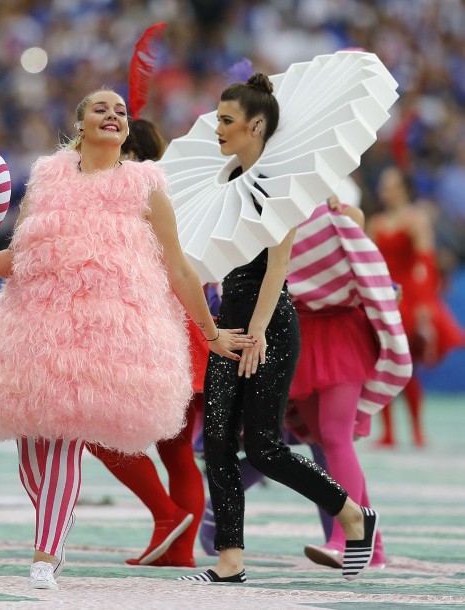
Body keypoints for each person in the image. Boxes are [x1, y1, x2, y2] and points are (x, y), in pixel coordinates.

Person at [0, 89, 254, 591]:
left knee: (67, 445)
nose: (114, 115)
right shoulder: (47, 176)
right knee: (34, 456)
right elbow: (19, 256)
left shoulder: (145, 183)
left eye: (121, 111)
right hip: (33, 329)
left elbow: (178, 268)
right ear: (80, 122)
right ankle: (52, 526)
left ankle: (44, 556)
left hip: (104, 335)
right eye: (101, 108)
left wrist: (210, 329)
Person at [179, 74, 379, 584]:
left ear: (257, 124)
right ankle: (230, 561)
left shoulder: (280, 181)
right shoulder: (225, 182)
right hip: (229, 322)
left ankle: (352, 514)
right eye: (218, 119)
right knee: (218, 442)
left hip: (269, 321)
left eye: (227, 121)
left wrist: (260, 332)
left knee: (265, 445)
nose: (218, 129)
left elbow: (277, 266)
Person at [85, 117, 207, 568]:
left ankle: (167, 517)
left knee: (92, 428)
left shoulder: (135, 196)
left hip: (148, 329)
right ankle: (178, 548)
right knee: (174, 450)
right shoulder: (174, 195)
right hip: (177, 327)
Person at [288, 195, 402, 570]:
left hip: (340, 334)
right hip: (300, 334)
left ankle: (345, 538)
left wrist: (347, 216)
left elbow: (362, 251)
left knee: (335, 437)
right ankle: (375, 547)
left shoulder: (334, 209)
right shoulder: (260, 208)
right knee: (324, 442)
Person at [367, 166, 465, 448]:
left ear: (404, 188)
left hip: (408, 297)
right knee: (382, 363)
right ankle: (387, 432)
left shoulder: (416, 220)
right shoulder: (376, 222)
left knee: (405, 364)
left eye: (391, 185)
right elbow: (370, 263)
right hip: (385, 296)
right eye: (383, 185)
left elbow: (425, 263)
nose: (384, 190)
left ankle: (417, 430)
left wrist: (424, 304)